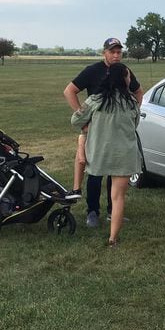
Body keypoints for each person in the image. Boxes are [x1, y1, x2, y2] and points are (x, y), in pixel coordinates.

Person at [64, 37, 143, 228]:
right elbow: (69, 91)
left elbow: (138, 92)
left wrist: (131, 115)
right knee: (95, 172)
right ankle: (92, 211)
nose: (116, 55)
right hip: (97, 130)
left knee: (115, 171)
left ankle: (112, 211)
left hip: (116, 131)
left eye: (119, 52)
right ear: (104, 53)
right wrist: (84, 122)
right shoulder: (93, 71)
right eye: (112, 52)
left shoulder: (124, 71)